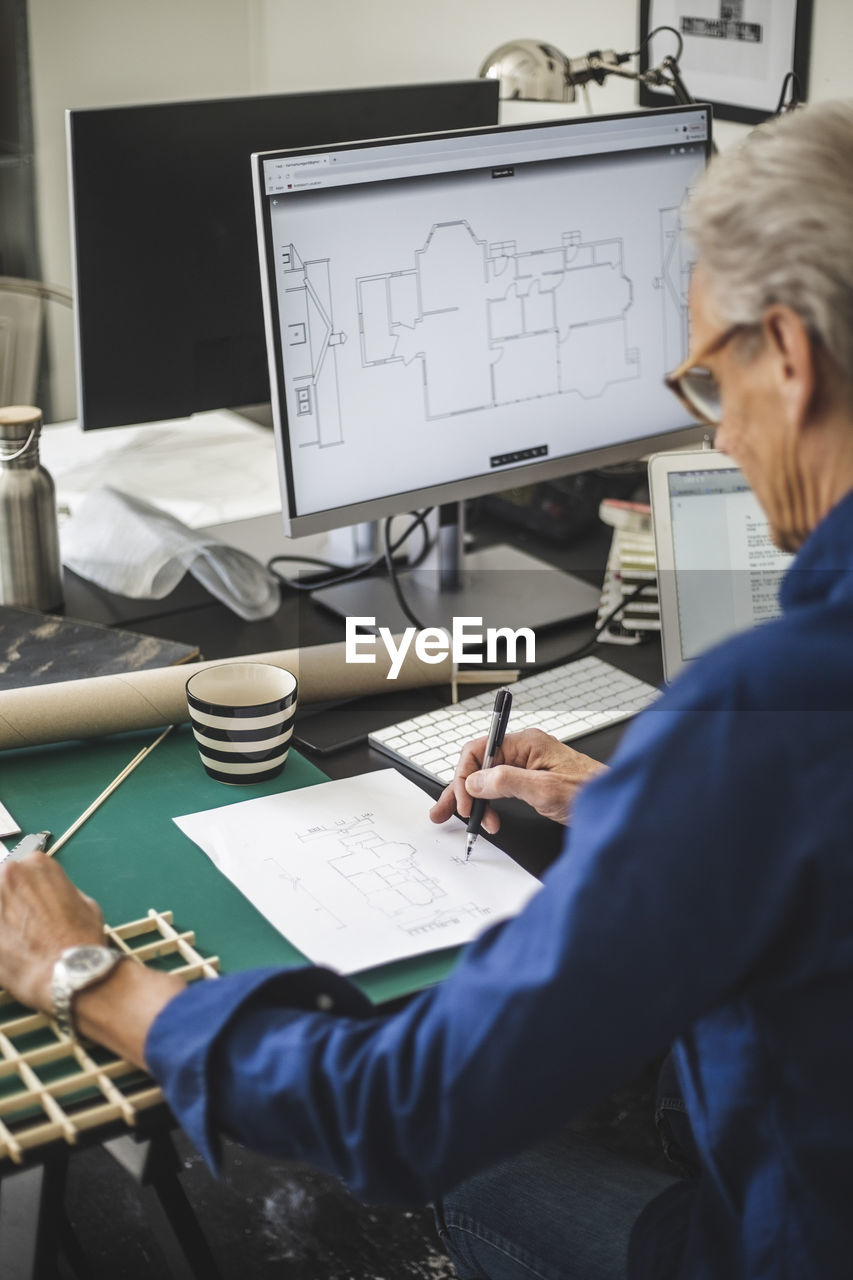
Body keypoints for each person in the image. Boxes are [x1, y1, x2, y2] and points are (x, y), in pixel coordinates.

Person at [2, 98, 853, 1278]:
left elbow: (402, 1109)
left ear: (794, 358)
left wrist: (86, 975)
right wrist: (631, 812)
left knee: (474, 1165)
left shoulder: (762, 713)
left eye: (710, 380)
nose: (715, 439)